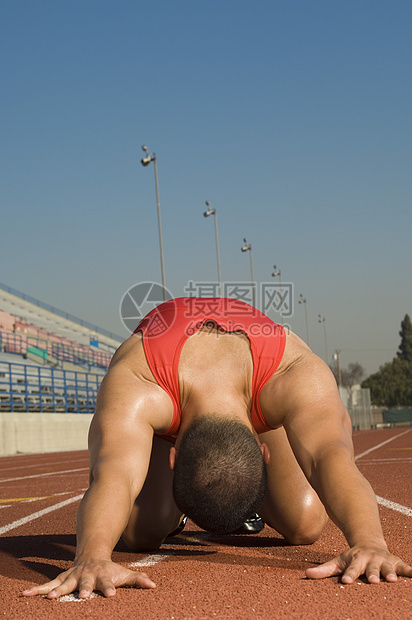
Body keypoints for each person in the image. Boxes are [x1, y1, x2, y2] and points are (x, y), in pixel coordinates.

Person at [23, 297, 412, 599]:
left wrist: (370, 543)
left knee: (306, 523)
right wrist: (92, 556)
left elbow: (330, 455)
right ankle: (178, 514)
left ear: (262, 448)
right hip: (172, 374)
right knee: (143, 533)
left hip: (246, 378)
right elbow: (114, 474)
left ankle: (226, 500)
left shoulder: (295, 375)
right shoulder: (138, 383)